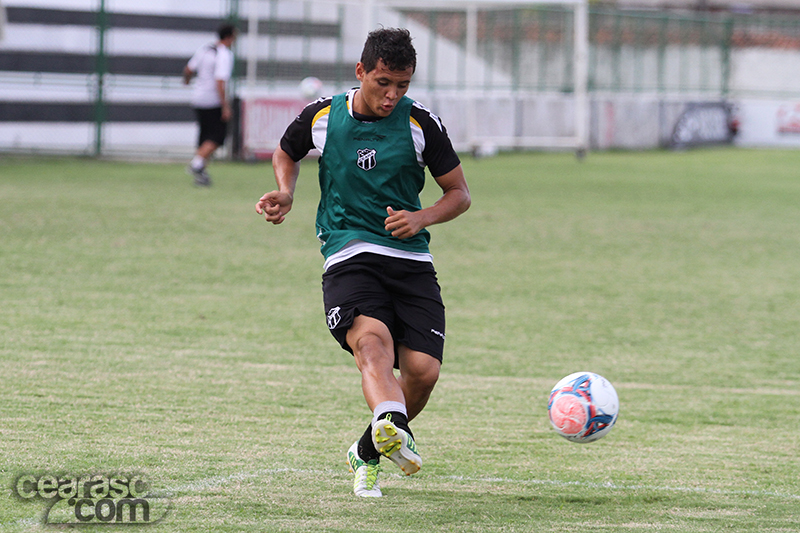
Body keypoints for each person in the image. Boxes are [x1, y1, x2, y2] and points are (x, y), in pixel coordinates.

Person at [255, 28, 470, 498]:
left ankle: (369, 448)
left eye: (403, 86)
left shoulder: (421, 125)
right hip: (349, 252)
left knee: (423, 373)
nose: (392, 95)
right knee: (372, 348)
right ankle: (390, 424)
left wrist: (422, 216)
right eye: (383, 83)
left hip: (411, 260)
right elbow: (286, 152)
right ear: (361, 72)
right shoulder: (324, 115)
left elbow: (459, 194)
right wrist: (286, 192)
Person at [183, 23, 237, 187]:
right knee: (218, 137)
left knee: (204, 137)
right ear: (229, 37)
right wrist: (225, 106)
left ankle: (201, 176)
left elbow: (188, 70)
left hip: (198, 98)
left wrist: (186, 82)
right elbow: (220, 81)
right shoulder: (224, 54)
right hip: (212, 100)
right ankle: (196, 164)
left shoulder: (205, 49)